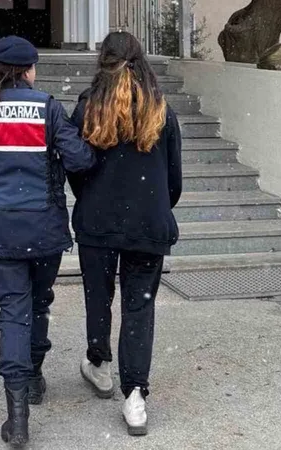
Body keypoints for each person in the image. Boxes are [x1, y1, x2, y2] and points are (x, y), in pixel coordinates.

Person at [0, 36, 95, 447]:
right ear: (29, 70)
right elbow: (80, 160)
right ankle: (34, 376)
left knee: (13, 312)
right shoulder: (48, 107)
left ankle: (17, 418)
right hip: (43, 229)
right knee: (39, 303)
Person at [68, 31, 183, 436]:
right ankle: (135, 395)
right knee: (139, 307)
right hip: (148, 222)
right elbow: (173, 179)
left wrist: (93, 199)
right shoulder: (161, 109)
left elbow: (75, 167)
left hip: (97, 220)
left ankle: (99, 363)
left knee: (98, 296)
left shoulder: (87, 108)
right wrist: (152, 205)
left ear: (103, 61)